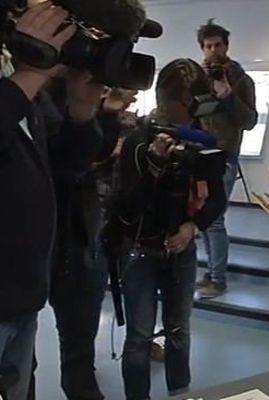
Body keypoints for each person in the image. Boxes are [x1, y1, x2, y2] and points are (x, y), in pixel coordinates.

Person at [0, 3, 105, 400]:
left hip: (21, 294)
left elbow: (61, 169)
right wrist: (32, 71)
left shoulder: (18, 83)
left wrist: (81, 111)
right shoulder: (20, 83)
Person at [110, 58, 226, 400]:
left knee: (179, 330)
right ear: (164, 100)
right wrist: (155, 166)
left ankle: (181, 393)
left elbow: (216, 198)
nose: (186, 115)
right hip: (139, 250)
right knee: (139, 336)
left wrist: (193, 226)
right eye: (180, 106)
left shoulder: (204, 142)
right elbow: (127, 206)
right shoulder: (137, 142)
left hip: (182, 248)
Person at [194, 19, 258, 298]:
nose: (212, 51)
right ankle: (210, 272)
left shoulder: (242, 79)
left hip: (226, 156)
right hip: (198, 154)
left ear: (226, 46)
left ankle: (218, 279)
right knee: (204, 217)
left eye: (217, 45)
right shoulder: (195, 76)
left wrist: (228, 96)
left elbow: (250, 121)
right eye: (208, 46)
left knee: (215, 218)